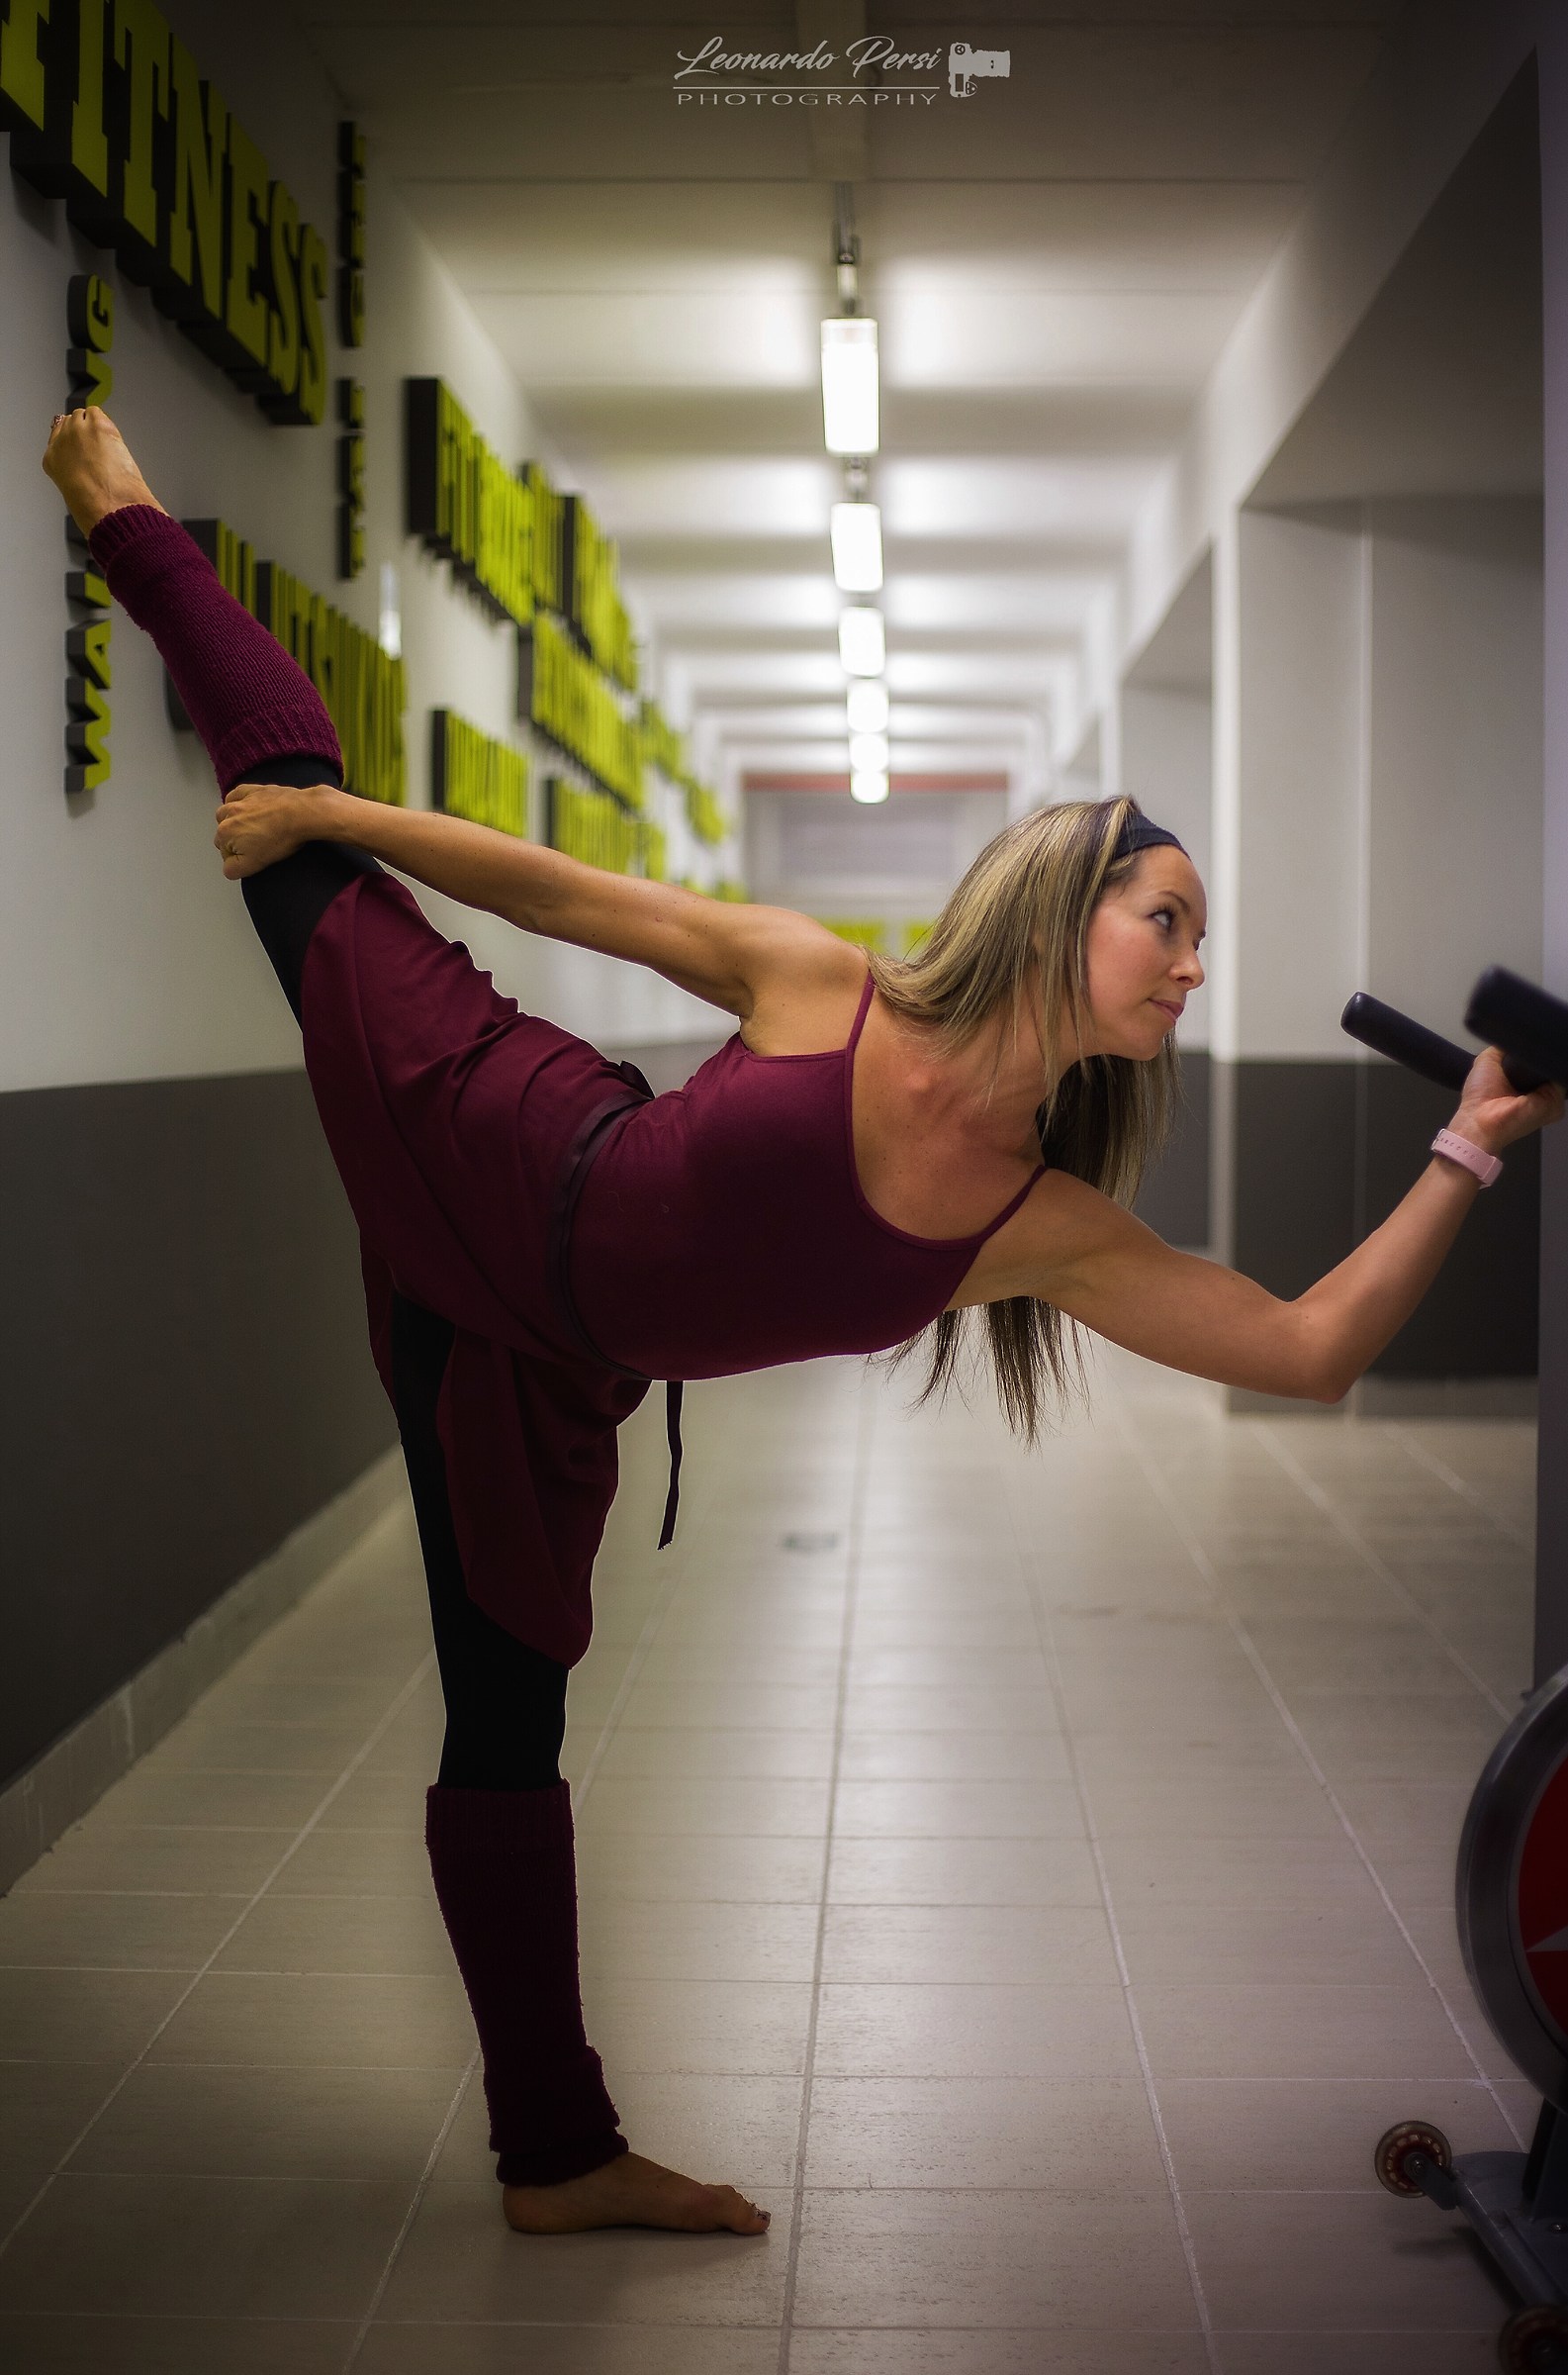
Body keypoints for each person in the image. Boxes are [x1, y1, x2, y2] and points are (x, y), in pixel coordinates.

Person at [42, 407, 1564, 2240]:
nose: (1191, 962)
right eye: (1165, 919)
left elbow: (1310, 1349)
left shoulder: (1041, 1228)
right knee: (293, 867)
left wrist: (1465, 1149)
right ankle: (128, 515)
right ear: (1060, 905)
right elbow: (562, 895)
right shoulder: (818, 985)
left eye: (1196, 935)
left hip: (540, 1368)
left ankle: (555, 2158)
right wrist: (334, 815)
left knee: (503, 1719)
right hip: (513, 1139)